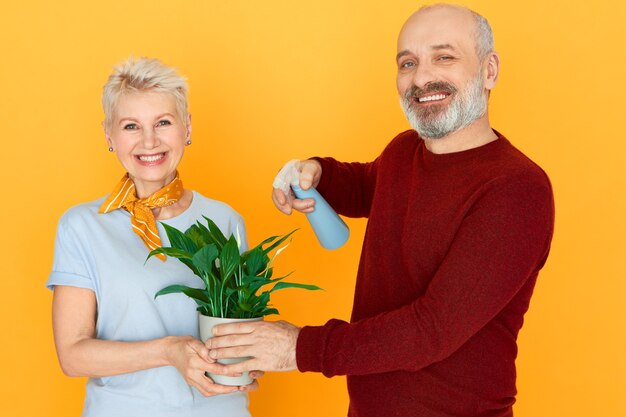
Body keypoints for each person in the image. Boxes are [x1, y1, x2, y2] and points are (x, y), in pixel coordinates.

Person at [206, 4, 555, 417]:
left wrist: (298, 348)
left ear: (489, 70)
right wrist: (318, 173)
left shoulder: (516, 190)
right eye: (408, 62)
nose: (422, 78)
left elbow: (431, 330)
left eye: (444, 56)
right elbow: (367, 185)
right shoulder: (404, 151)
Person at [47, 57, 258, 417]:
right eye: (131, 126)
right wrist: (168, 351)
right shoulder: (82, 227)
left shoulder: (225, 221)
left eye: (163, 122)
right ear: (109, 136)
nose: (149, 141)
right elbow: (72, 355)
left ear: (187, 129)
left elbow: (239, 331)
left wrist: (249, 358)